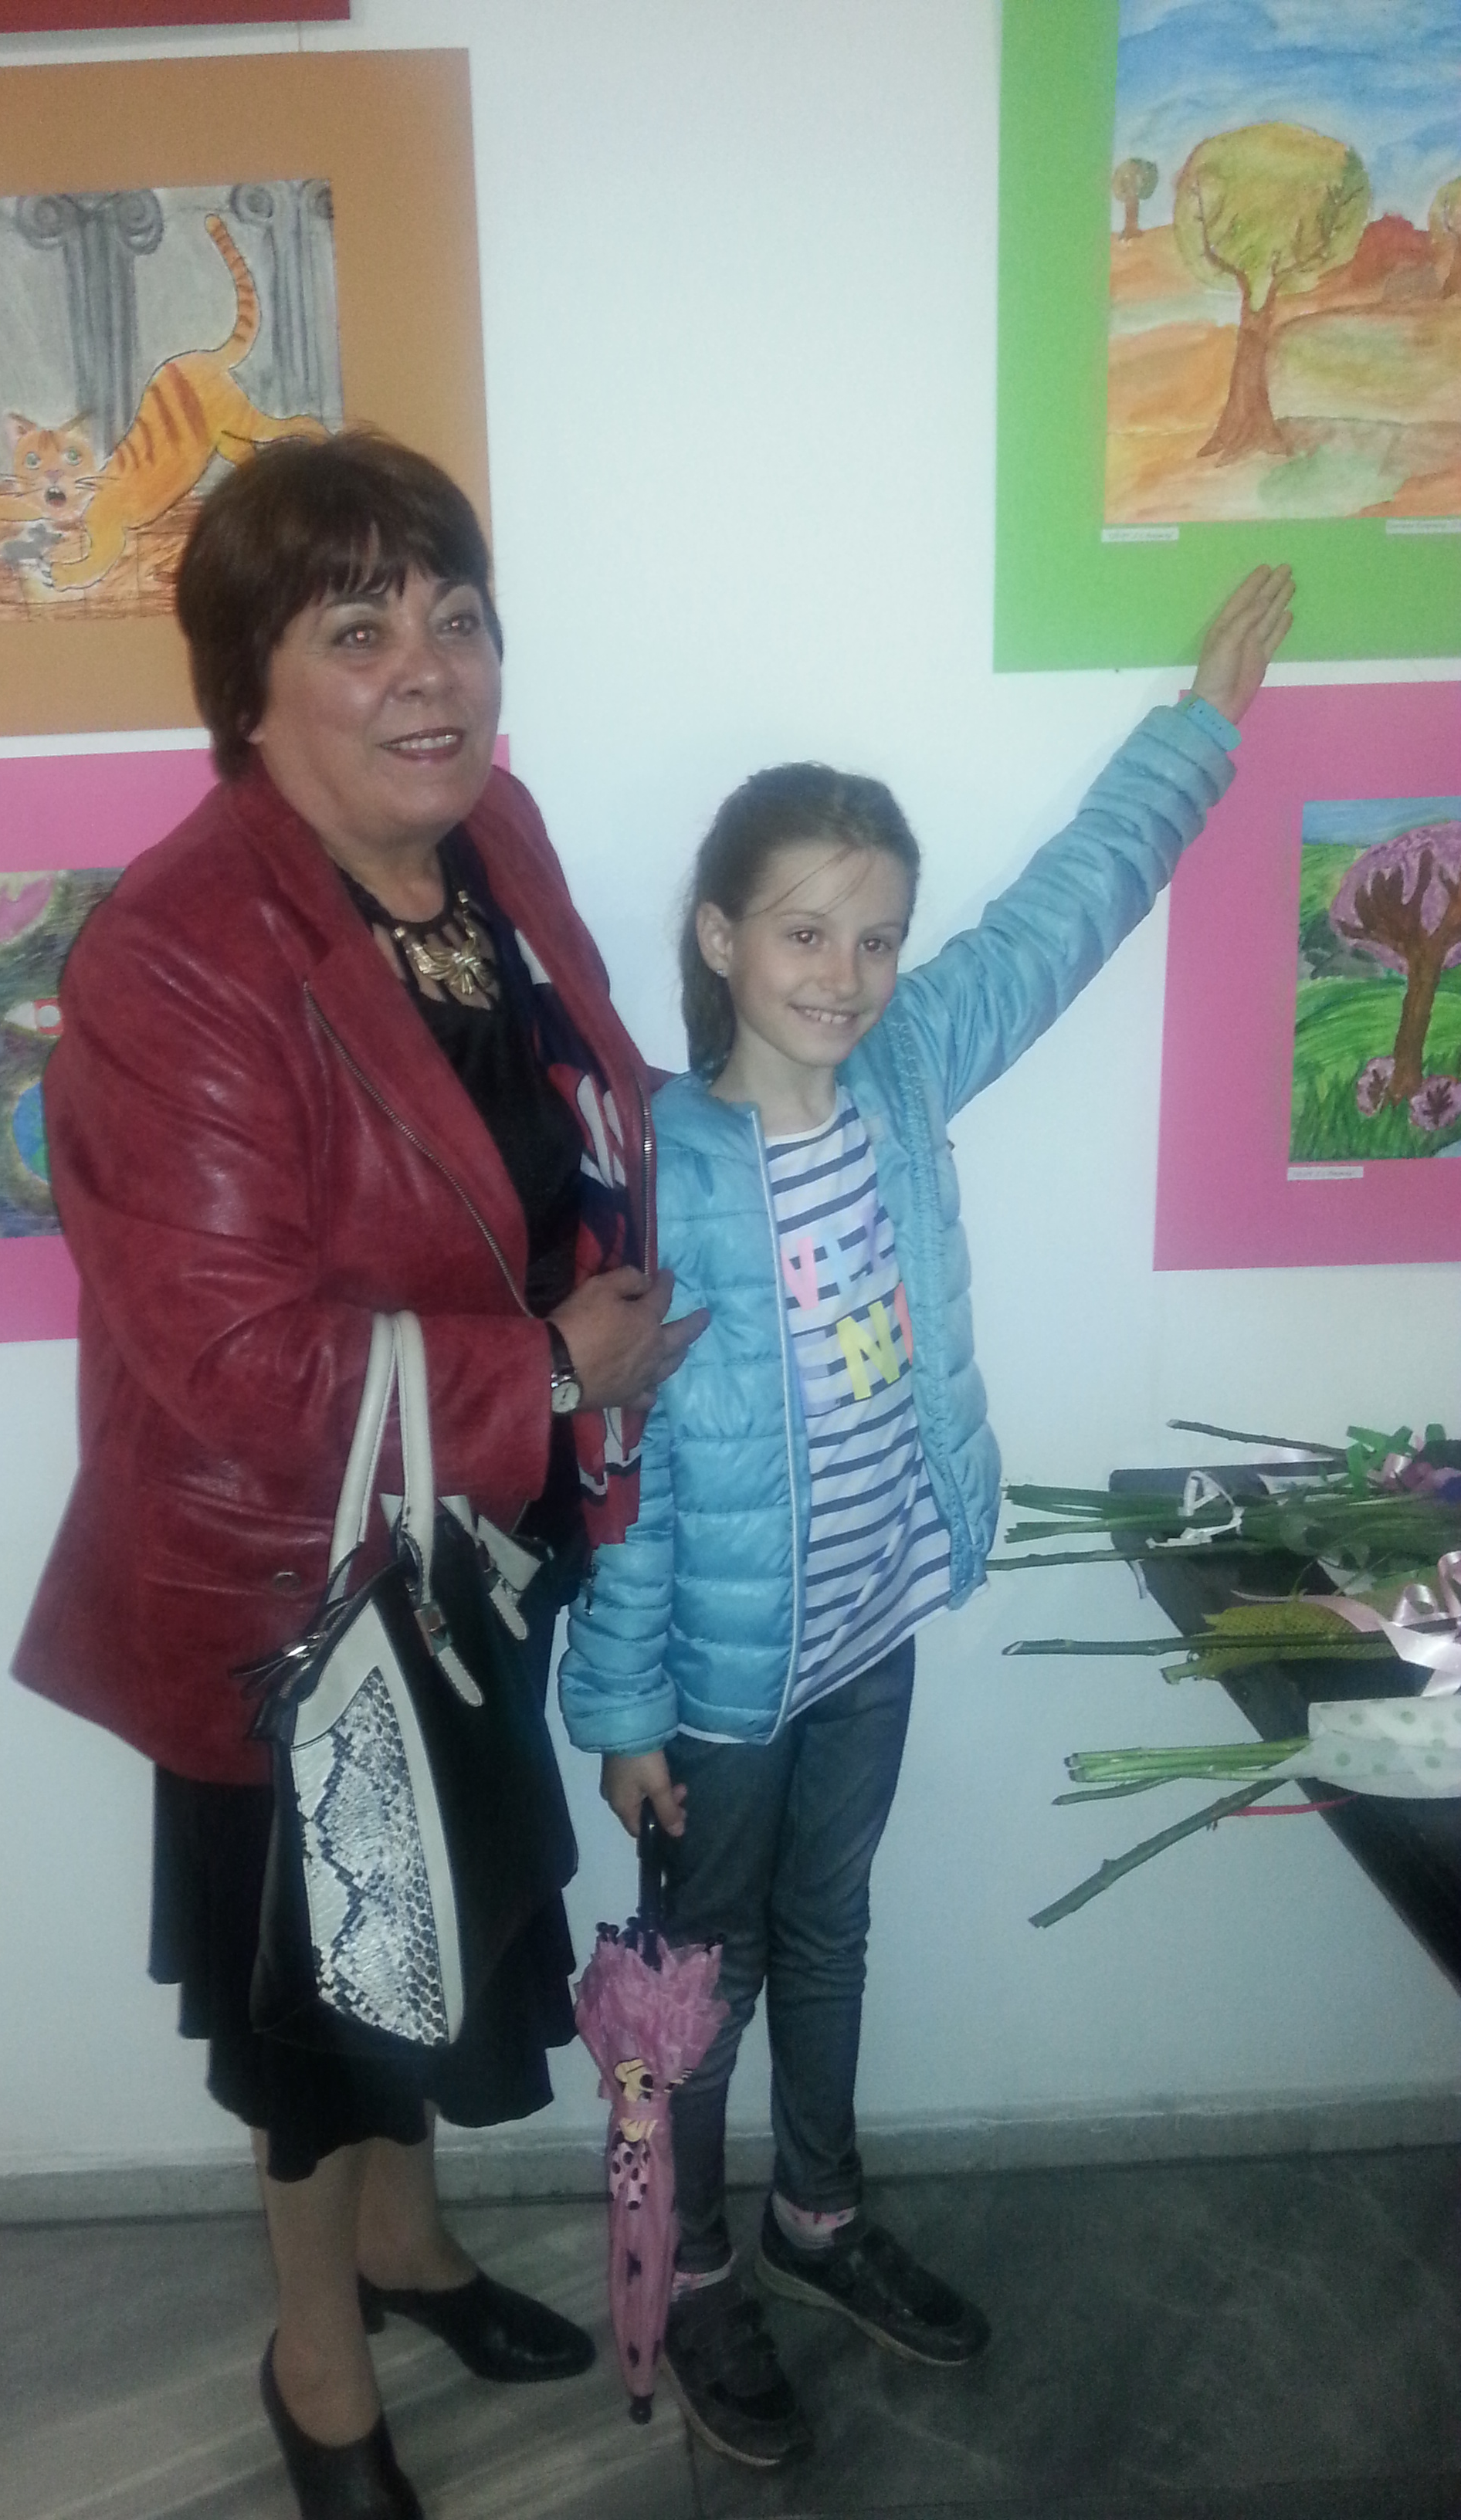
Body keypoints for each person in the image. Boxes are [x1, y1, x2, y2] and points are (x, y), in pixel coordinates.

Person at [12, 432, 706, 2520]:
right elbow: (232, 1365)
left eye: (457, 616)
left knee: (431, 1945)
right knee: (319, 2030)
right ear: (248, 688)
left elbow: (568, 1113)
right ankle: (317, 2368)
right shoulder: (176, 960)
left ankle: (410, 2258)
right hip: (288, 1609)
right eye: (358, 628)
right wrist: (552, 1369)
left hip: (474, 1554)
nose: (432, 671)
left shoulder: (493, 833)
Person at [556, 567, 1296, 2471]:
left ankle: (817, 2217)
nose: (846, 972)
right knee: (700, 1984)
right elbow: (623, 1477)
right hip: (718, 1689)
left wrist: (1199, 731)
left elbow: (1060, 915)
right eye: (806, 930)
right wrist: (622, 1714)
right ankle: (690, 2272)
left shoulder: (905, 1077)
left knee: (834, 1932)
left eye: (877, 936)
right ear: (720, 935)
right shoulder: (657, 1166)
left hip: (871, 1626)